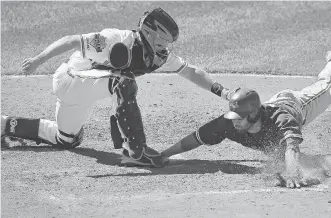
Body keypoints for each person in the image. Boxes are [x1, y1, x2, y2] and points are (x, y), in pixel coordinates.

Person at [1, 7, 233, 167]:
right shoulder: (114, 39)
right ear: (151, 35)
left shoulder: (158, 56)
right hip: (70, 81)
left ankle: (5, 124)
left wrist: (223, 92)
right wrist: (37, 61)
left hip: (88, 89)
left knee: (66, 139)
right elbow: (72, 40)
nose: (167, 48)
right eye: (163, 42)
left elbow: (190, 71)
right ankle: (135, 150)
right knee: (122, 81)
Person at [161, 45, 331, 188]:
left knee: (327, 87)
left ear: (253, 114)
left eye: (239, 117)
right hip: (268, 109)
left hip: (296, 105)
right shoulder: (229, 122)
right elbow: (196, 137)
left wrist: (292, 172)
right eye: (233, 115)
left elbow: (292, 147)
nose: (234, 121)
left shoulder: (282, 120)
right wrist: (163, 154)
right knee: (282, 153)